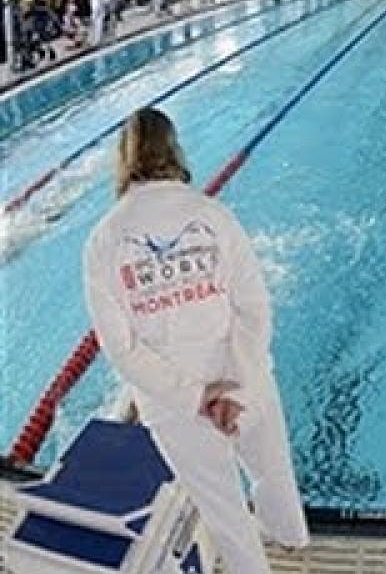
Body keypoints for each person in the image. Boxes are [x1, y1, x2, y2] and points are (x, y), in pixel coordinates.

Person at [83, 108, 309, 574]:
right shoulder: (213, 215)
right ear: (174, 148)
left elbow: (120, 347)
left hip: (175, 407)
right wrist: (236, 387)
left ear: (123, 158)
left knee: (224, 511)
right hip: (243, 381)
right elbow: (254, 308)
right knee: (273, 473)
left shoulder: (104, 238)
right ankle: (292, 538)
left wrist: (196, 397)